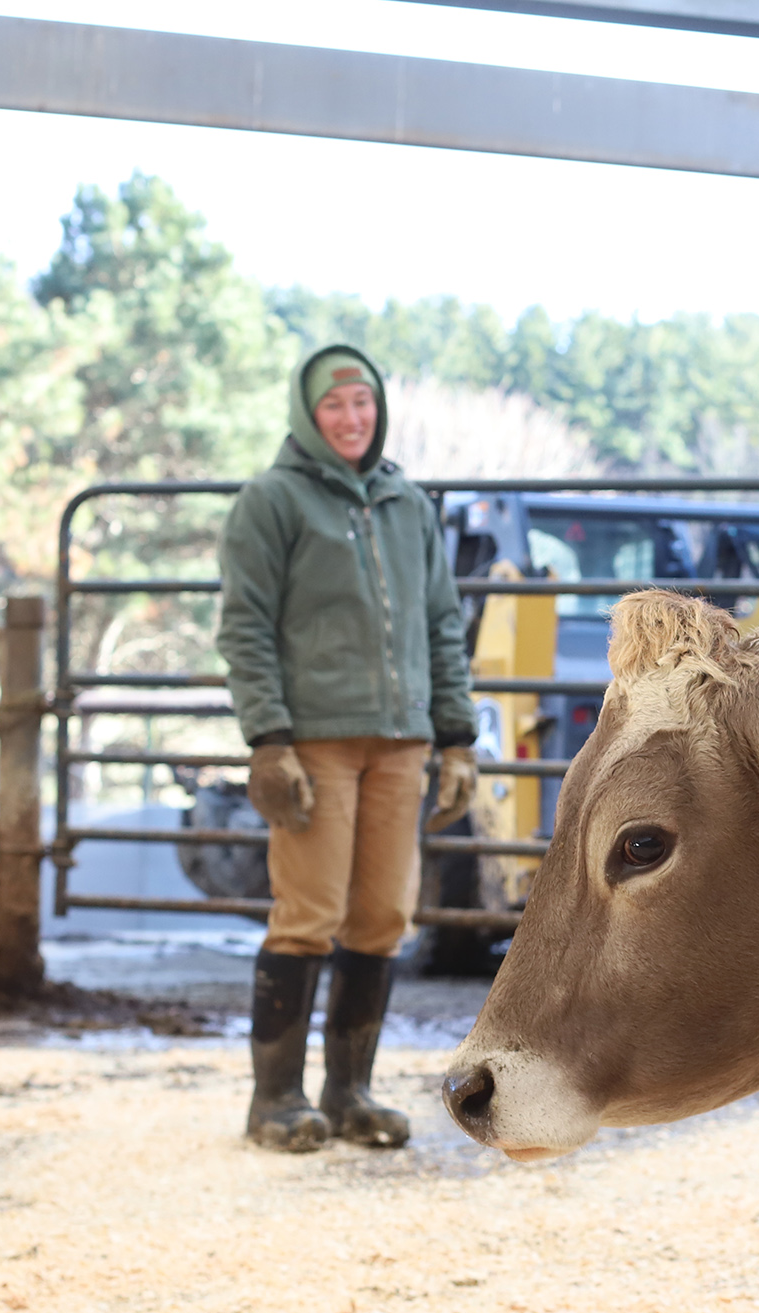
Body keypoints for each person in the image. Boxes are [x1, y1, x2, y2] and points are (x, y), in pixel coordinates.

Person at [216, 347, 479, 1151]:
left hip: (400, 741)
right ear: (307, 412)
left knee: (382, 915)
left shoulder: (407, 504)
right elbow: (246, 626)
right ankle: (276, 1099)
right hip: (316, 742)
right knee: (308, 912)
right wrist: (269, 738)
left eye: (362, 402)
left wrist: (457, 734)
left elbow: (441, 620)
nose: (351, 418)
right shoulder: (272, 501)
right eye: (335, 405)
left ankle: (350, 1092)